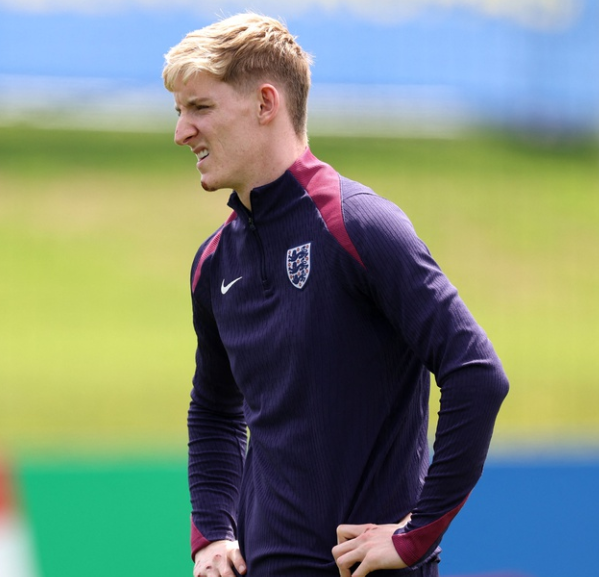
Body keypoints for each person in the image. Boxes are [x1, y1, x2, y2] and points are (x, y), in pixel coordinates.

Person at [162, 12, 509, 577]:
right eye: (179, 112)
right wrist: (212, 534)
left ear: (265, 104)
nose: (181, 132)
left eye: (199, 108)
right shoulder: (213, 263)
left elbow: (477, 374)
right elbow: (214, 410)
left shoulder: (359, 225)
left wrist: (414, 536)